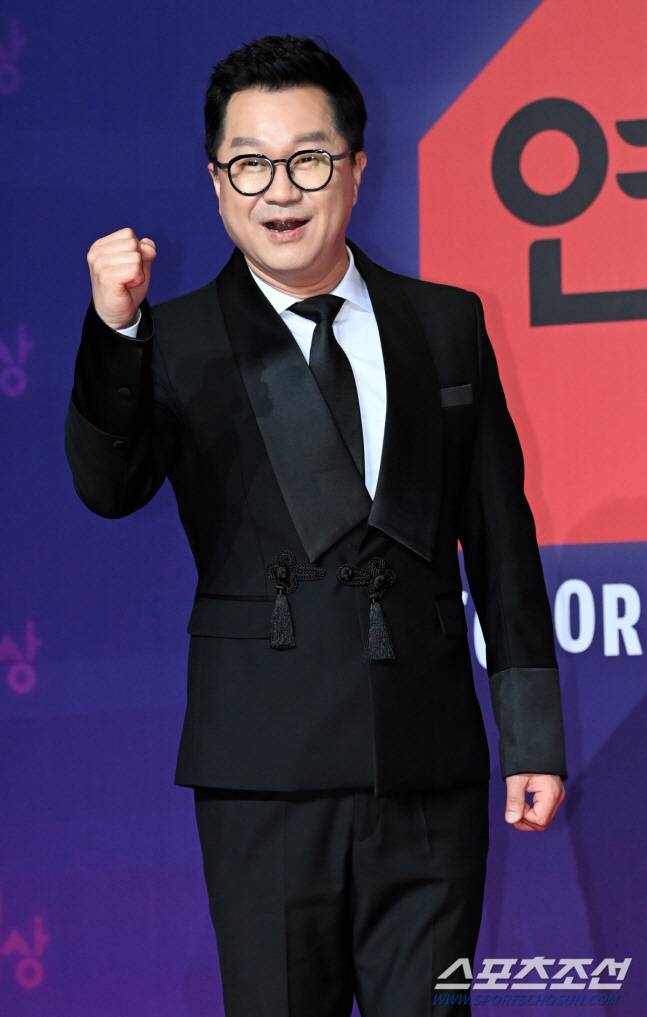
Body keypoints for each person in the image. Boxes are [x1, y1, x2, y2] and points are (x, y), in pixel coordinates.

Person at [64, 34, 567, 1017]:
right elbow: (107, 486)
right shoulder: (175, 340)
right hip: (265, 773)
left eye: (306, 159)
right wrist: (115, 329)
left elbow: (500, 541)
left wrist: (532, 737)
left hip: (428, 764)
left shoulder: (445, 324)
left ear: (355, 166)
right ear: (217, 183)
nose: (279, 191)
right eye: (249, 165)